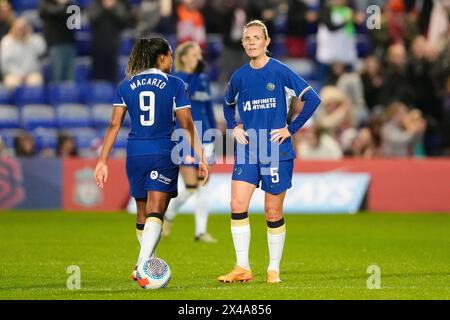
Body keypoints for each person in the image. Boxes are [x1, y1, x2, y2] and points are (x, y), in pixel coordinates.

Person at [93, 37, 209, 287]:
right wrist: (200, 155)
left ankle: (147, 266)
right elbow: (186, 124)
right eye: (170, 55)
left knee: (142, 211)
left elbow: (114, 125)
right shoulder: (175, 84)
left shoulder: (126, 85)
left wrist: (102, 161)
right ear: (162, 58)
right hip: (162, 150)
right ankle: (142, 264)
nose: (172, 61)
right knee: (157, 211)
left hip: (134, 152)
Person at [221, 20, 321, 283]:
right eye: (247, 38)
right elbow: (227, 105)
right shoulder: (239, 76)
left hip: (276, 150)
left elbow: (313, 99)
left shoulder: (280, 71)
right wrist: (234, 126)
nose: (252, 42)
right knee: (237, 204)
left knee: (272, 212)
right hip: (247, 149)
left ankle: (273, 268)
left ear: (267, 42)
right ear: (242, 44)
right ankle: (242, 267)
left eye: (257, 37)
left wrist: (291, 128)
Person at [162, 41, 217, 243]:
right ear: (184, 57)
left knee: (204, 184)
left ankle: (201, 232)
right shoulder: (177, 81)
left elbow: (208, 106)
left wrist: (213, 133)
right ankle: (168, 215)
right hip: (184, 135)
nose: (198, 58)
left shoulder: (203, 79)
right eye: (194, 54)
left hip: (206, 135)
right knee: (192, 185)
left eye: (200, 54)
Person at [0, 18, 46, 89]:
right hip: (12, 74)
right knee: (12, 84)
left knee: (36, 82)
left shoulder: (34, 39)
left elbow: (42, 49)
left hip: (31, 73)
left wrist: (29, 38)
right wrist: (18, 74)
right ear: (13, 28)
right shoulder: (6, 41)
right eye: (19, 28)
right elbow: (4, 64)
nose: (21, 31)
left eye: (24, 28)